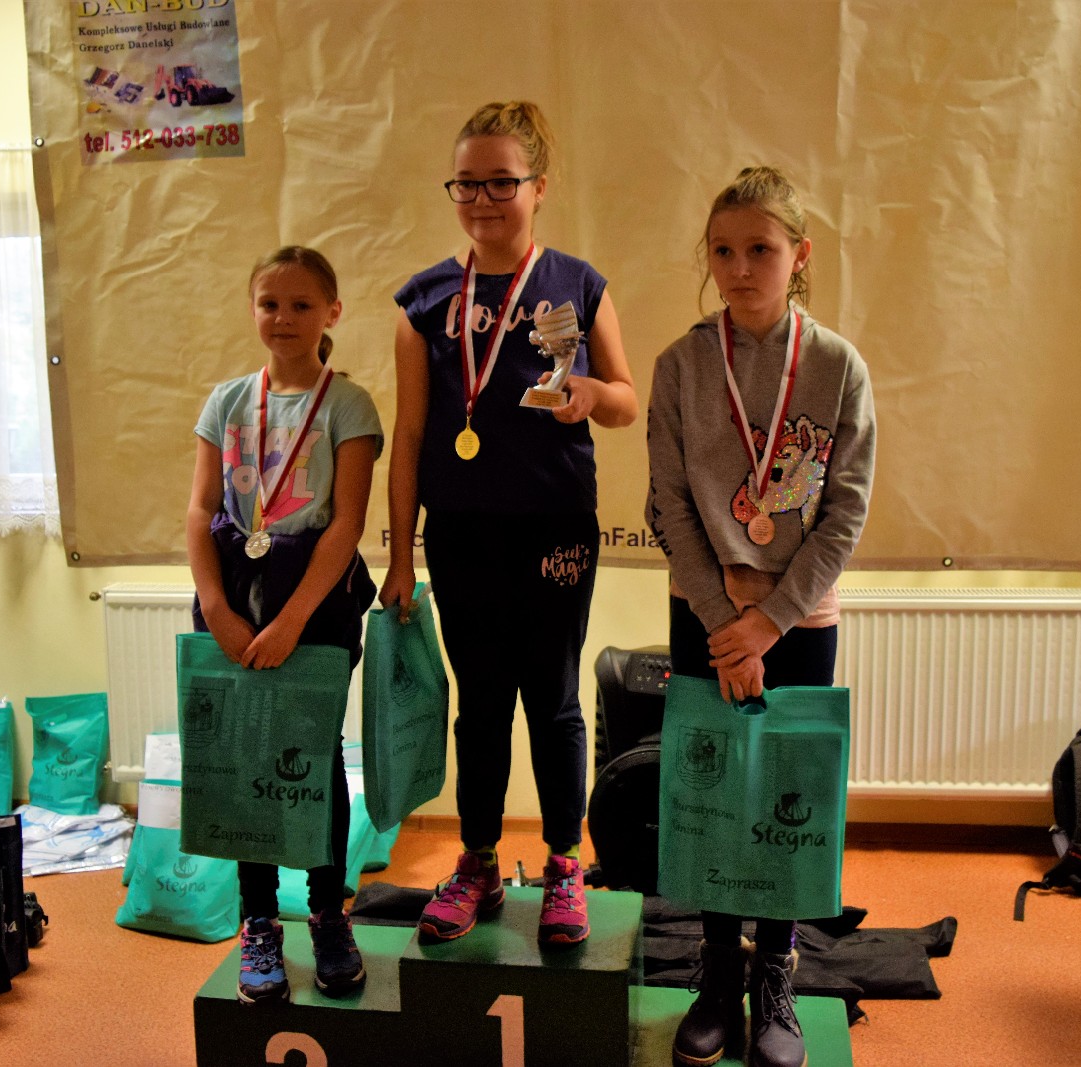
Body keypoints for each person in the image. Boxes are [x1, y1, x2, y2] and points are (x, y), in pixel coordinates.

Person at [380, 100, 638, 948]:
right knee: (482, 704)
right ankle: (479, 861)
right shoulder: (424, 301)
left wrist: (590, 394)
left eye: (502, 182)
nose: (483, 199)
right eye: (467, 183)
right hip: (462, 534)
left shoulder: (579, 284)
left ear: (539, 186)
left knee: (554, 701)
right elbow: (409, 436)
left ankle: (564, 865)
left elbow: (626, 401)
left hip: (556, 529)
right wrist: (399, 555)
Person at [645, 167, 876, 1067]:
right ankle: (715, 973)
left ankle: (775, 972)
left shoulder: (837, 366)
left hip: (798, 617)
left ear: (799, 255)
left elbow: (844, 513)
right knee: (711, 795)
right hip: (705, 612)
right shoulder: (680, 364)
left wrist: (770, 623)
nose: (740, 268)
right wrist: (722, 622)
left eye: (761, 250)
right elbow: (669, 505)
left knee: (784, 799)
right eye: (723, 251)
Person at [185, 246, 383, 1005]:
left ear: (332, 312)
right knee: (244, 759)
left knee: (312, 756)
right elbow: (200, 510)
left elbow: (347, 524)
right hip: (235, 596)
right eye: (270, 303)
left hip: (316, 602)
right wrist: (215, 607)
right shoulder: (226, 402)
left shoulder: (348, 405)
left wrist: (294, 620)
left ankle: (328, 913)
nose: (284, 318)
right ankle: (258, 920)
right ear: (253, 309)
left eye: (302, 305)